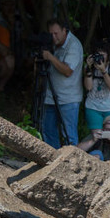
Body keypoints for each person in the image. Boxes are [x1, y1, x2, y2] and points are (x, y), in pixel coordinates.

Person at [40, 18, 84, 149]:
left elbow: (67, 71)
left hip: (68, 99)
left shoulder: (74, 45)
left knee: (69, 136)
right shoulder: (53, 43)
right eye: (51, 34)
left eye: (56, 33)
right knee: (48, 131)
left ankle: (70, 165)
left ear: (65, 30)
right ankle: (51, 161)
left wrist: (50, 57)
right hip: (50, 96)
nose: (53, 37)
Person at [83, 42, 110, 131]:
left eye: (102, 54)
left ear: (108, 55)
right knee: (96, 137)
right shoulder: (90, 67)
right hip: (93, 106)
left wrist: (103, 71)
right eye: (97, 54)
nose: (99, 57)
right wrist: (88, 68)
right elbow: (88, 87)